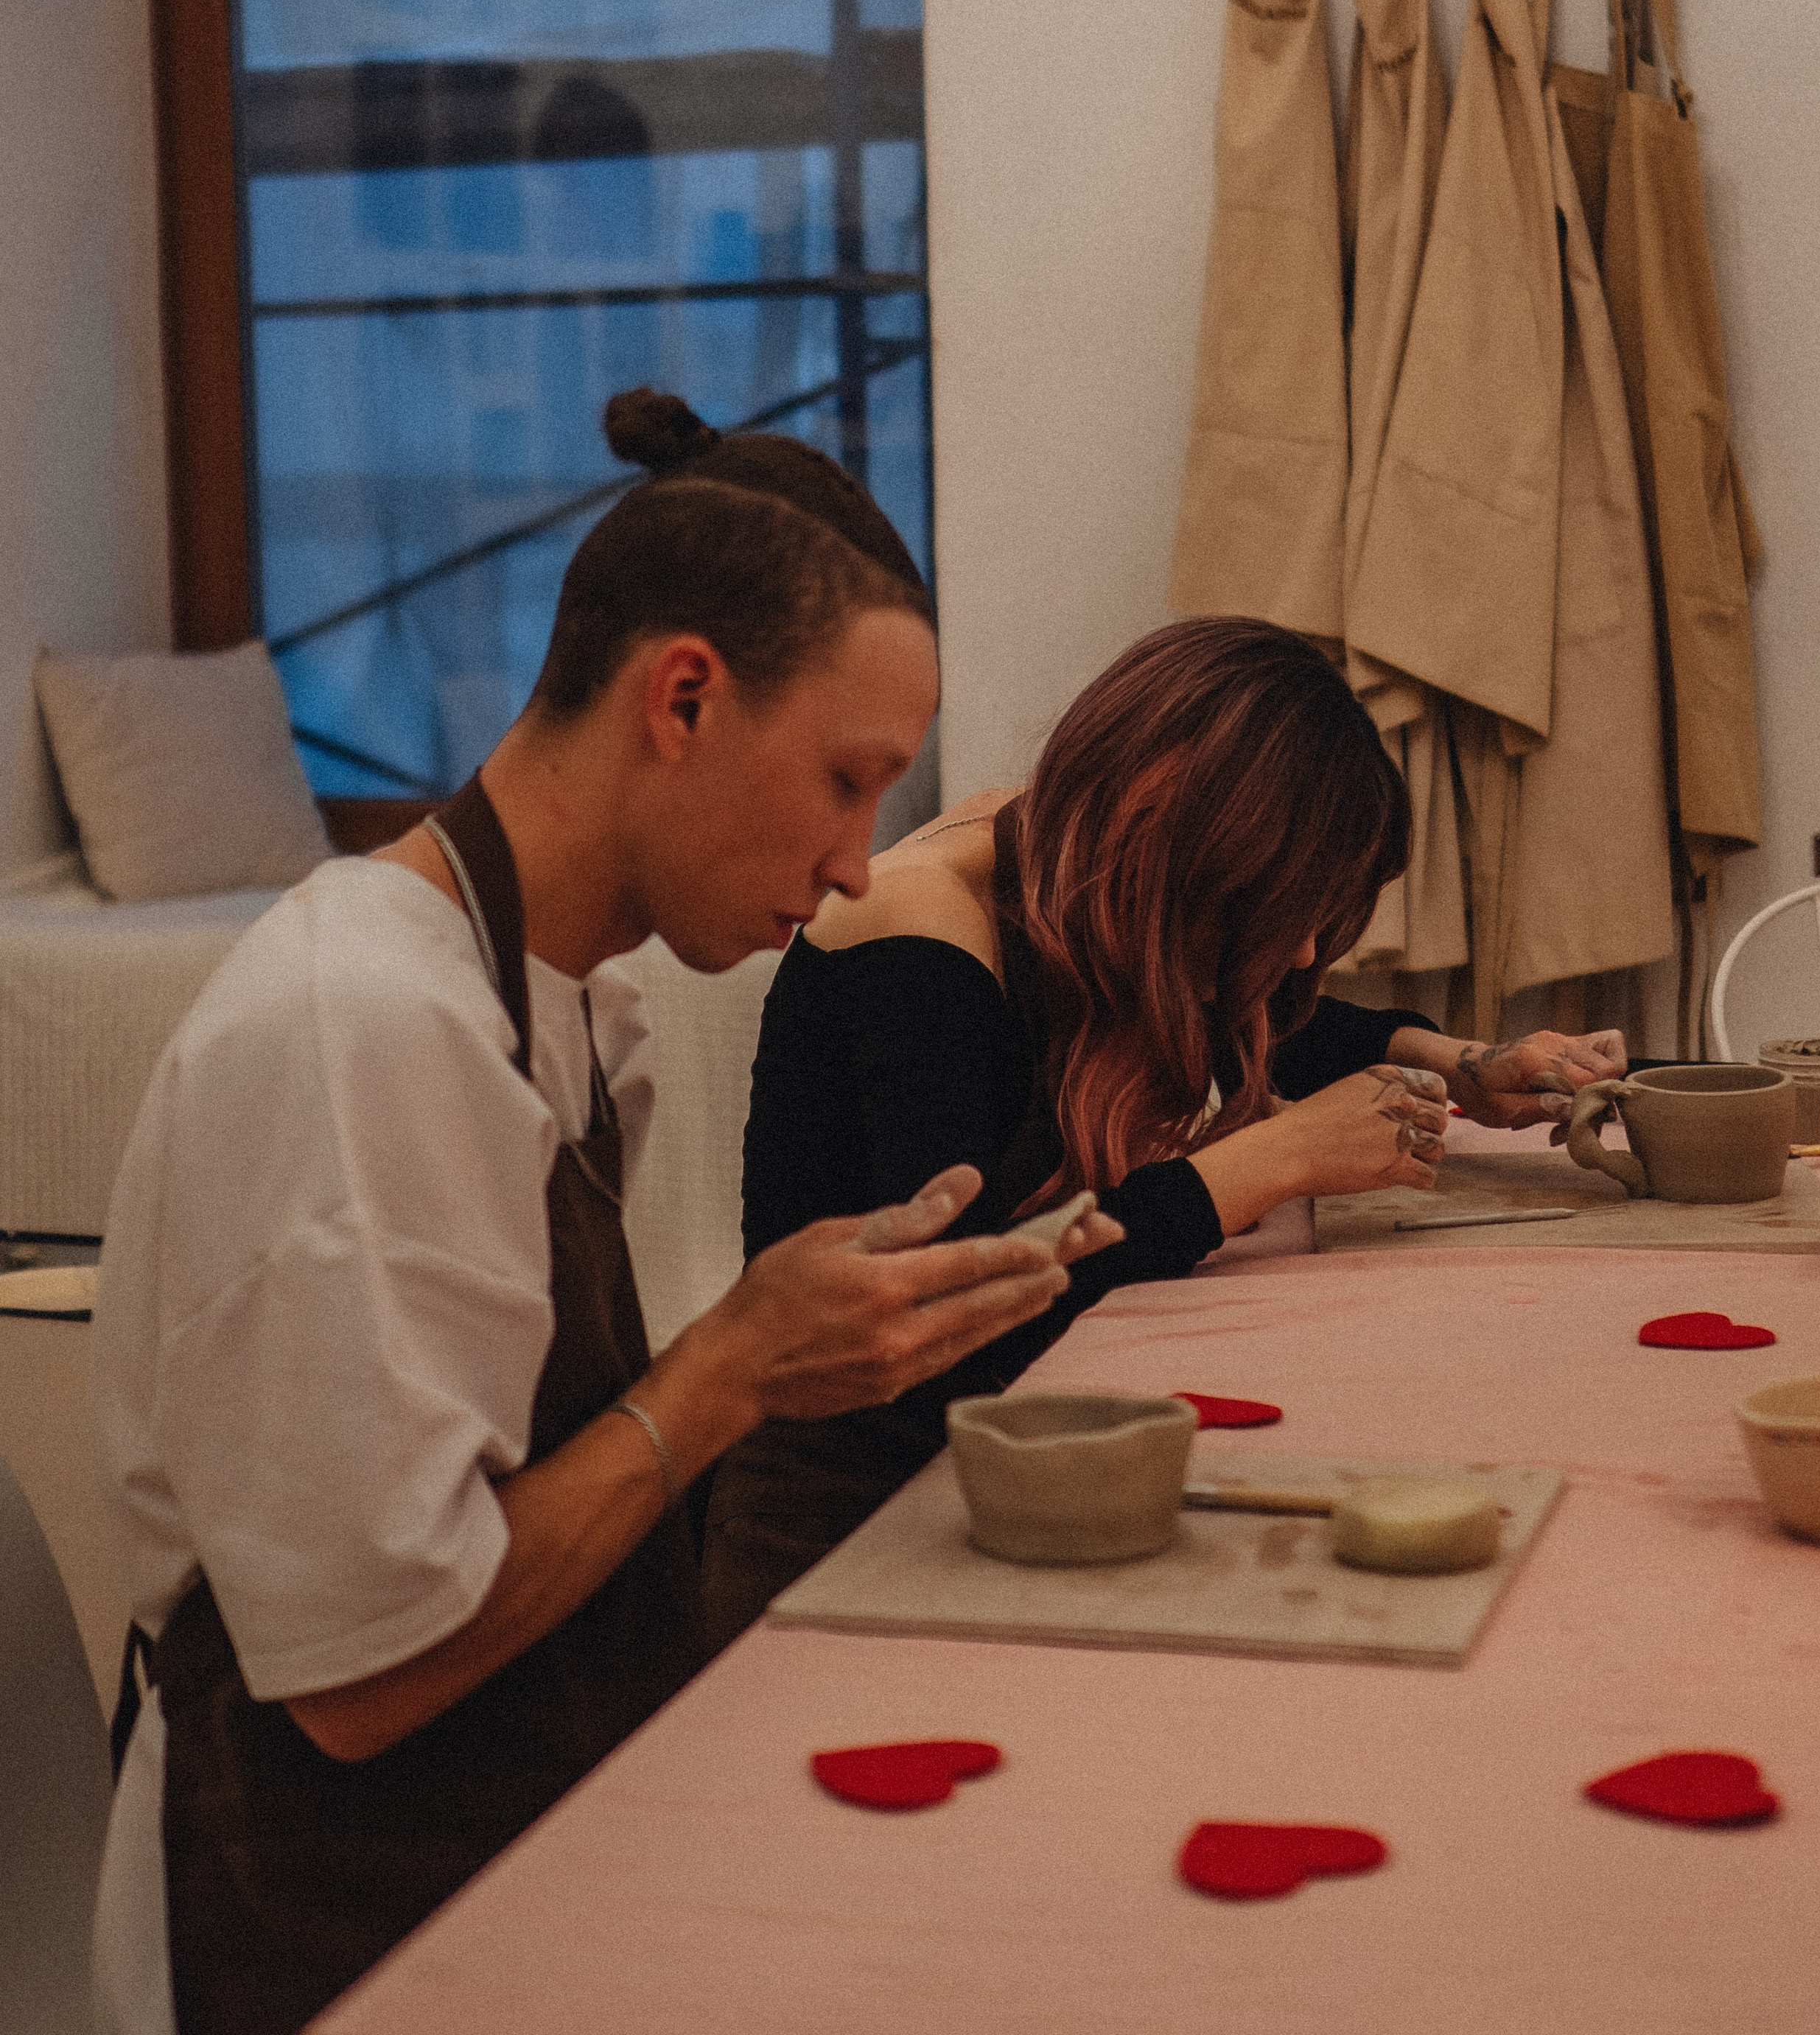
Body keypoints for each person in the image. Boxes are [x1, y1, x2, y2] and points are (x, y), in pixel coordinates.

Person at [90, 389, 1119, 2035]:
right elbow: (362, 1683)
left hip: (508, 1815)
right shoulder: (363, 1024)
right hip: (316, 1908)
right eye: (846, 784)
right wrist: (732, 1370)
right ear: (685, 698)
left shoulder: (568, 1003)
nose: (861, 864)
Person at [701, 614, 1628, 1642]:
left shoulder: (1063, 848)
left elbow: (1262, 1006)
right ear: (1177, 846)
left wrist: (1466, 1064)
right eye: (1281, 910)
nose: (1311, 946)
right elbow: (967, 1306)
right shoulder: (923, 942)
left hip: (1005, 1463)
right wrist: (1269, 1160)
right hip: (848, 1510)